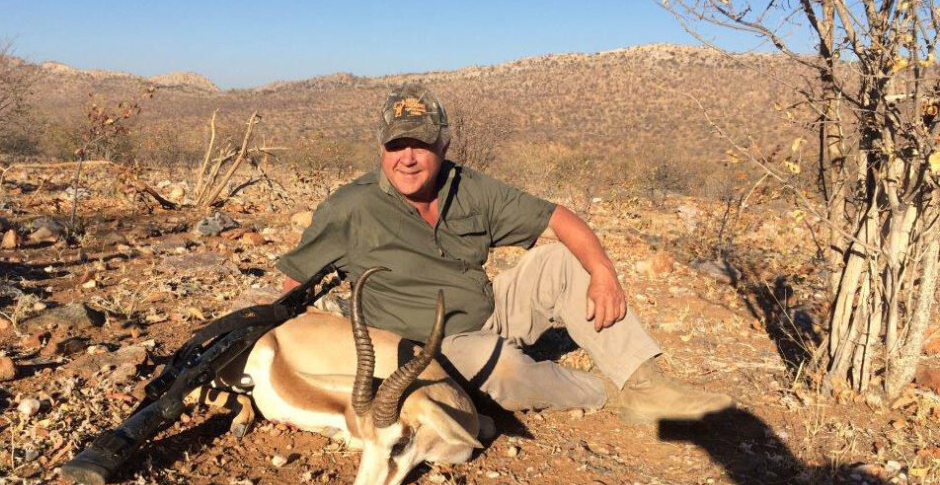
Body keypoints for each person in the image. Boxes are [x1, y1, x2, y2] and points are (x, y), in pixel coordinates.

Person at [277, 82, 732, 422]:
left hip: (491, 309)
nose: (408, 158)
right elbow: (295, 282)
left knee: (564, 259)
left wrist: (603, 272)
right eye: (397, 146)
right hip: (426, 348)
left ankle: (643, 384)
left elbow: (560, 219)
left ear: (444, 144)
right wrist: (272, 341)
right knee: (506, 368)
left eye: (421, 143)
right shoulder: (350, 207)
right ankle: (602, 394)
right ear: (382, 149)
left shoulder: (468, 186)